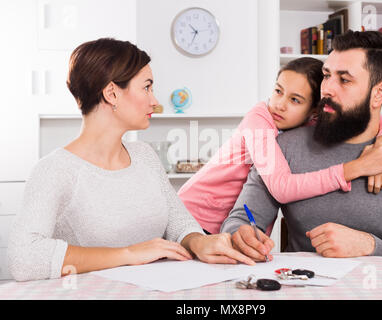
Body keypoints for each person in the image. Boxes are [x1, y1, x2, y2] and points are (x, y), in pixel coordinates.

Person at [7, 38, 254, 282]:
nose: (155, 101)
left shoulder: (144, 155)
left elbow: (179, 223)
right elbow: (23, 258)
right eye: (147, 87)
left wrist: (199, 242)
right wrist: (128, 254)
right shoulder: (55, 170)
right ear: (112, 93)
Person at [220, 30, 382, 262]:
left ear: (378, 94)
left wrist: (369, 246)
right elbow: (239, 220)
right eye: (327, 75)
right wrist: (239, 234)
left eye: (344, 80)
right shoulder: (283, 147)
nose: (327, 89)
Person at [179, 57, 382, 235]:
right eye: (278, 91)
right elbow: (281, 188)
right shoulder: (259, 118)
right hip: (192, 218)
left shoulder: (311, 123)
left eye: (295, 100)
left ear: (315, 110)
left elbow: (377, 117)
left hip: (235, 226)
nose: (280, 105)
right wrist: (356, 168)